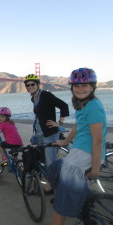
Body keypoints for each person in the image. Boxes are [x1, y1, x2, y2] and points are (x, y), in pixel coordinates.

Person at [47, 68, 107, 225]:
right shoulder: (81, 104)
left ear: (92, 87)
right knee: (54, 167)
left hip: (87, 153)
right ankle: (76, 198)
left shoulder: (93, 106)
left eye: (85, 85)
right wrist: (65, 142)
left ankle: (66, 204)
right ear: (72, 87)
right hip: (78, 150)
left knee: (61, 204)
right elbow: (78, 125)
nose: (80, 89)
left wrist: (95, 169)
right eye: (76, 86)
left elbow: (97, 140)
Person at [24, 74, 69, 168]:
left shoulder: (46, 95)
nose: (30, 87)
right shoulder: (33, 98)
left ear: (38, 85)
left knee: (51, 162)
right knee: (43, 158)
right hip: (40, 133)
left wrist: (59, 123)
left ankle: (56, 180)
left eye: (32, 84)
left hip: (50, 133)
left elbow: (64, 106)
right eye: (27, 85)